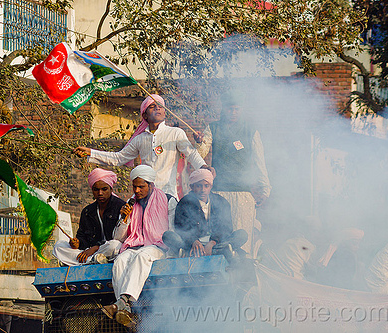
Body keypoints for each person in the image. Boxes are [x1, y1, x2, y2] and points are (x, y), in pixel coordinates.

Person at [74, 94, 213, 198]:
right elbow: (118, 158)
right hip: (144, 196)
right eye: (152, 106)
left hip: (167, 195)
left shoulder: (175, 133)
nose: (158, 108)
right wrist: (91, 153)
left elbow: (191, 153)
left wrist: (203, 168)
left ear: (165, 113)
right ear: (144, 115)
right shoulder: (140, 139)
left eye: (160, 106)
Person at [194, 91, 271, 256]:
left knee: (243, 239)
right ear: (224, 109)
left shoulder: (251, 131)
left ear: (241, 109)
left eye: (237, 109)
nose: (233, 112)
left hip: (243, 194)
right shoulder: (213, 128)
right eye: (230, 109)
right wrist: (199, 143)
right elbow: (200, 155)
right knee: (218, 237)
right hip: (218, 192)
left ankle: (244, 276)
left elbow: (260, 162)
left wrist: (266, 189)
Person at [101, 165, 170, 328]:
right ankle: (124, 310)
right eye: (135, 186)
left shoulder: (168, 199)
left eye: (141, 186)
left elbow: (173, 229)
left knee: (142, 256)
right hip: (134, 245)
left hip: (158, 246)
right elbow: (119, 237)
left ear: (151, 186)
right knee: (120, 261)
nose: (137, 190)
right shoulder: (130, 204)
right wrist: (125, 218)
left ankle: (122, 303)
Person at [162, 169, 247, 260]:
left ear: (211, 186)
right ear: (192, 186)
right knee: (168, 236)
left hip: (216, 243)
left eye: (206, 186)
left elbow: (226, 227)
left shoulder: (221, 201)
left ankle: (194, 252)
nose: (203, 190)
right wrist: (193, 241)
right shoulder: (184, 203)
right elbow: (180, 227)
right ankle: (219, 252)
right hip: (192, 244)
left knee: (242, 234)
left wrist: (212, 242)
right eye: (199, 186)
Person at [52, 168, 125, 266]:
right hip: (90, 252)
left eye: (104, 189)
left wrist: (96, 248)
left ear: (111, 189)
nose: (100, 193)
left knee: (115, 245)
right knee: (59, 246)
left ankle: (88, 260)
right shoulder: (87, 211)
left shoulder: (120, 206)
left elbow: (121, 238)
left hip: (107, 249)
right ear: (92, 190)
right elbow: (82, 238)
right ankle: (93, 260)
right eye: (96, 190)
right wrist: (77, 243)